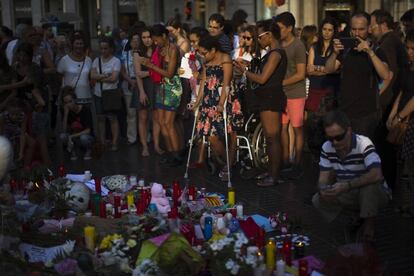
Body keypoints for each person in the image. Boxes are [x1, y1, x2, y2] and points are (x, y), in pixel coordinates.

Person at [312, 110, 390, 243]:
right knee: (317, 199)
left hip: (376, 193)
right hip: (348, 191)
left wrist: (346, 186)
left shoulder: (363, 143)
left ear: (349, 131)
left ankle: (368, 231)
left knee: (368, 187)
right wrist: (324, 189)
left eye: (339, 137)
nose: (335, 142)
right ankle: (357, 218)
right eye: (330, 138)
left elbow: (377, 174)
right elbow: (323, 179)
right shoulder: (327, 147)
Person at [234, 19, 287, 186]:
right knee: (270, 138)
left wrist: (245, 71)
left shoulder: (276, 53)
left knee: (272, 138)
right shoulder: (273, 53)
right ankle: (271, 171)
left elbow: (263, 78)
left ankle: (274, 175)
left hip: (271, 98)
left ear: (269, 36)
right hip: (268, 97)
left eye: (259, 36)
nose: (258, 40)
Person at [324, 12, 391, 140]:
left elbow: (386, 74)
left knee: (363, 153)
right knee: (344, 152)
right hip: (345, 110)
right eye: (354, 29)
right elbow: (328, 69)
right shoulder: (345, 49)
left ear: (369, 29)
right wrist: (334, 53)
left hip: (366, 113)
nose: (356, 33)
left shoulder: (376, 49)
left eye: (361, 29)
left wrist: (369, 52)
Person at [137, 24, 183, 166]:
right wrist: (149, 62)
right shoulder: (159, 48)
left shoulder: (173, 49)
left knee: (169, 123)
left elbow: (169, 74)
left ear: (164, 36)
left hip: (172, 87)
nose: (155, 42)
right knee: (161, 122)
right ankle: (170, 153)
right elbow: (157, 67)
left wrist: (150, 66)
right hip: (161, 87)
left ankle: (177, 155)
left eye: (156, 39)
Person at [191, 35, 233, 177]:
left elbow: (227, 83)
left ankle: (228, 161)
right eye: (201, 53)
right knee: (208, 135)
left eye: (204, 52)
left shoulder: (225, 58)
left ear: (213, 50)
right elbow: (203, 82)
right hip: (208, 100)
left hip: (221, 99)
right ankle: (224, 162)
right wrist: (196, 102)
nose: (202, 56)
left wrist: (221, 104)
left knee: (215, 135)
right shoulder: (206, 61)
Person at [274, 12, 307, 178]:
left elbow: (301, 74)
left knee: (297, 128)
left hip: (296, 94)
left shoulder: (298, 46)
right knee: (282, 128)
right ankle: (286, 160)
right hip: (282, 94)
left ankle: (298, 163)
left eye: (280, 28)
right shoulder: (278, 45)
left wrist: (280, 83)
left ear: (289, 28)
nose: (277, 31)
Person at [386, 28, 414, 217]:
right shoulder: (407, 68)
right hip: (404, 119)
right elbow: (402, 92)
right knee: (408, 167)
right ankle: (408, 204)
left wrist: (399, 116)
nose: (409, 51)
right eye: (408, 47)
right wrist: (393, 113)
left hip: (411, 121)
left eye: (413, 48)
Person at [12, 42, 50, 165]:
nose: (22, 58)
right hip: (22, 107)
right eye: (20, 55)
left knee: (40, 138)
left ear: (30, 56)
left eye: (25, 55)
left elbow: (33, 86)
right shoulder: (16, 67)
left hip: (37, 107)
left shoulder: (35, 69)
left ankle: (47, 167)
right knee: (26, 138)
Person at [133, 27, 164, 156]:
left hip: (156, 86)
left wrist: (150, 72)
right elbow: (138, 73)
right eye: (144, 37)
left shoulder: (159, 50)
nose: (146, 40)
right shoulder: (137, 52)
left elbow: (162, 71)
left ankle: (156, 145)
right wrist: (141, 92)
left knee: (156, 118)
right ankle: (145, 146)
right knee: (143, 117)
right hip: (143, 87)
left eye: (149, 37)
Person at [91, 36, 122, 151]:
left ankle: (114, 142)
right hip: (98, 93)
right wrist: (105, 76)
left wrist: (99, 78)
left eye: (105, 48)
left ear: (111, 49)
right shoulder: (96, 60)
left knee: (112, 118)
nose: (103, 51)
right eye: (102, 48)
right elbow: (92, 76)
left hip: (111, 93)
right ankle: (103, 141)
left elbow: (114, 78)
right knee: (100, 118)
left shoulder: (116, 61)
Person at [59, 88, 94, 161]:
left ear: (75, 100)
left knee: (84, 138)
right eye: (66, 103)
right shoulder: (66, 111)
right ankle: (73, 151)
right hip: (74, 137)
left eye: (70, 101)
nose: (68, 104)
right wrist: (66, 114)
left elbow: (88, 130)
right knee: (62, 136)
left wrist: (72, 136)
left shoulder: (85, 110)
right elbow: (64, 130)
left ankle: (88, 150)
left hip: (85, 136)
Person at [57, 34, 93, 104]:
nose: (79, 46)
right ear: (72, 45)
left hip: (86, 96)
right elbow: (59, 78)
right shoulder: (64, 60)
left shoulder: (89, 60)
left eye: (81, 44)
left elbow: (90, 78)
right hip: (70, 99)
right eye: (77, 43)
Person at [0, 99, 34, 168]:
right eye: (12, 114)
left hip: (15, 130)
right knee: (8, 144)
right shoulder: (3, 116)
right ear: (8, 111)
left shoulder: (23, 116)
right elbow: (2, 133)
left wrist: (21, 152)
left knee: (32, 142)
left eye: (17, 114)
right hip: (5, 131)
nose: (14, 117)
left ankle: (26, 166)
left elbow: (22, 133)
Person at [120, 31, 140, 147]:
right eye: (133, 40)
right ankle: (132, 137)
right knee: (131, 112)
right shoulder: (125, 54)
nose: (135, 42)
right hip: (128, 83)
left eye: (138, 40)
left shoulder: (143, 54)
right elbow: (122, 71)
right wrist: (130, 81)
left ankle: (145, 135)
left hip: (141, 83)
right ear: (129, 42)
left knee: (142, 112)